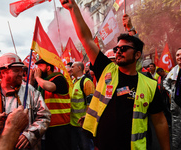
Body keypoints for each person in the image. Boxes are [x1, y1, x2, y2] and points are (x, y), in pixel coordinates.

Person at [60, 0, 170, 149]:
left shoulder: (150, 84)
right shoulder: (107, 69)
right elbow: (86, 39)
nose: (118, 51)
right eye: (117, 49)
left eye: (124, 48)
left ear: (137, 55)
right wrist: (73, 8)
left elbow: (160, 121)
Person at [0, 53, 51, 150]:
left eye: (22, 70)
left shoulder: (31, 91)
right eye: (16, 70)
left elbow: (45, 116)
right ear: (2, 73)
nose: (21, 74)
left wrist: (30, 135)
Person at [33, 59, 71, 150]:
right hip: (47, 124)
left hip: (60, 126)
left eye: (40, 67)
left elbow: (50, 87)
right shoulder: (42, 82)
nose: (37, 69)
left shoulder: (59, 78)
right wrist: (32, 79)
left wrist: (38, 78)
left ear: (48, 68)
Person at [163, 47, 181, 150]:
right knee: (177, 133)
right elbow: (165, 83)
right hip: (176, 108)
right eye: (178, 55)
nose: (180, 57)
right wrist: (171, 92)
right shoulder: (174, 70)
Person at [70, 61, 95, 150]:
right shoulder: (72, 82)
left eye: (73, 67)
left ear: (79, 68)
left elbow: (91, 103)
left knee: (86, 147)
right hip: (73, 124)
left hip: (83, 125)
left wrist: (87, 118)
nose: (70, 69)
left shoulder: (86, 82)